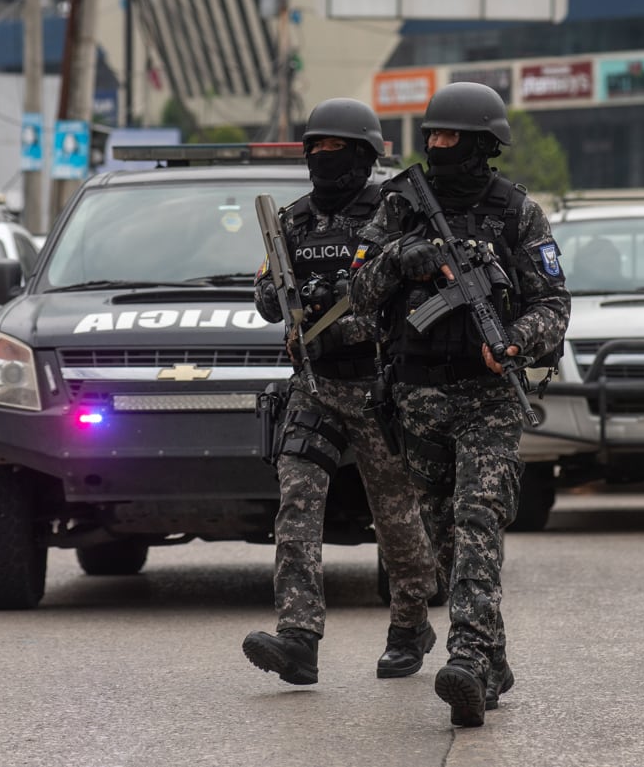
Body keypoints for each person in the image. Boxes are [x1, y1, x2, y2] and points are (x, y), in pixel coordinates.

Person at [349, 81, 571, 727]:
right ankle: (494, 658)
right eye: (433, 136)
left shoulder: (517, 213)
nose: (438, 145)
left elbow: (553, 304)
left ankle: (468, 659)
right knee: (441, 536)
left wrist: (516, 341)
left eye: (450, 137)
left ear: (481, 145)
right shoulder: (399, 206)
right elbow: (357, 292)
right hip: (417, 397)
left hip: (488, 399)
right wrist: (402, 258)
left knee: (478, 520)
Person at [242, 98, 439, 686]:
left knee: (396, 517)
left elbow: (417, 292)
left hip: (379, 388)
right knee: (297, 504)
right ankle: (298, 637)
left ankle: (410, 625)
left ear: (363, 155)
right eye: (316, 149)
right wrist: (289, 295)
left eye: (336, 149)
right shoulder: (292, 222)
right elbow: (266, 299)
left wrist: (353, 308)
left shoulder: (393, 214)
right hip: (316, 386)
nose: (323, 159)